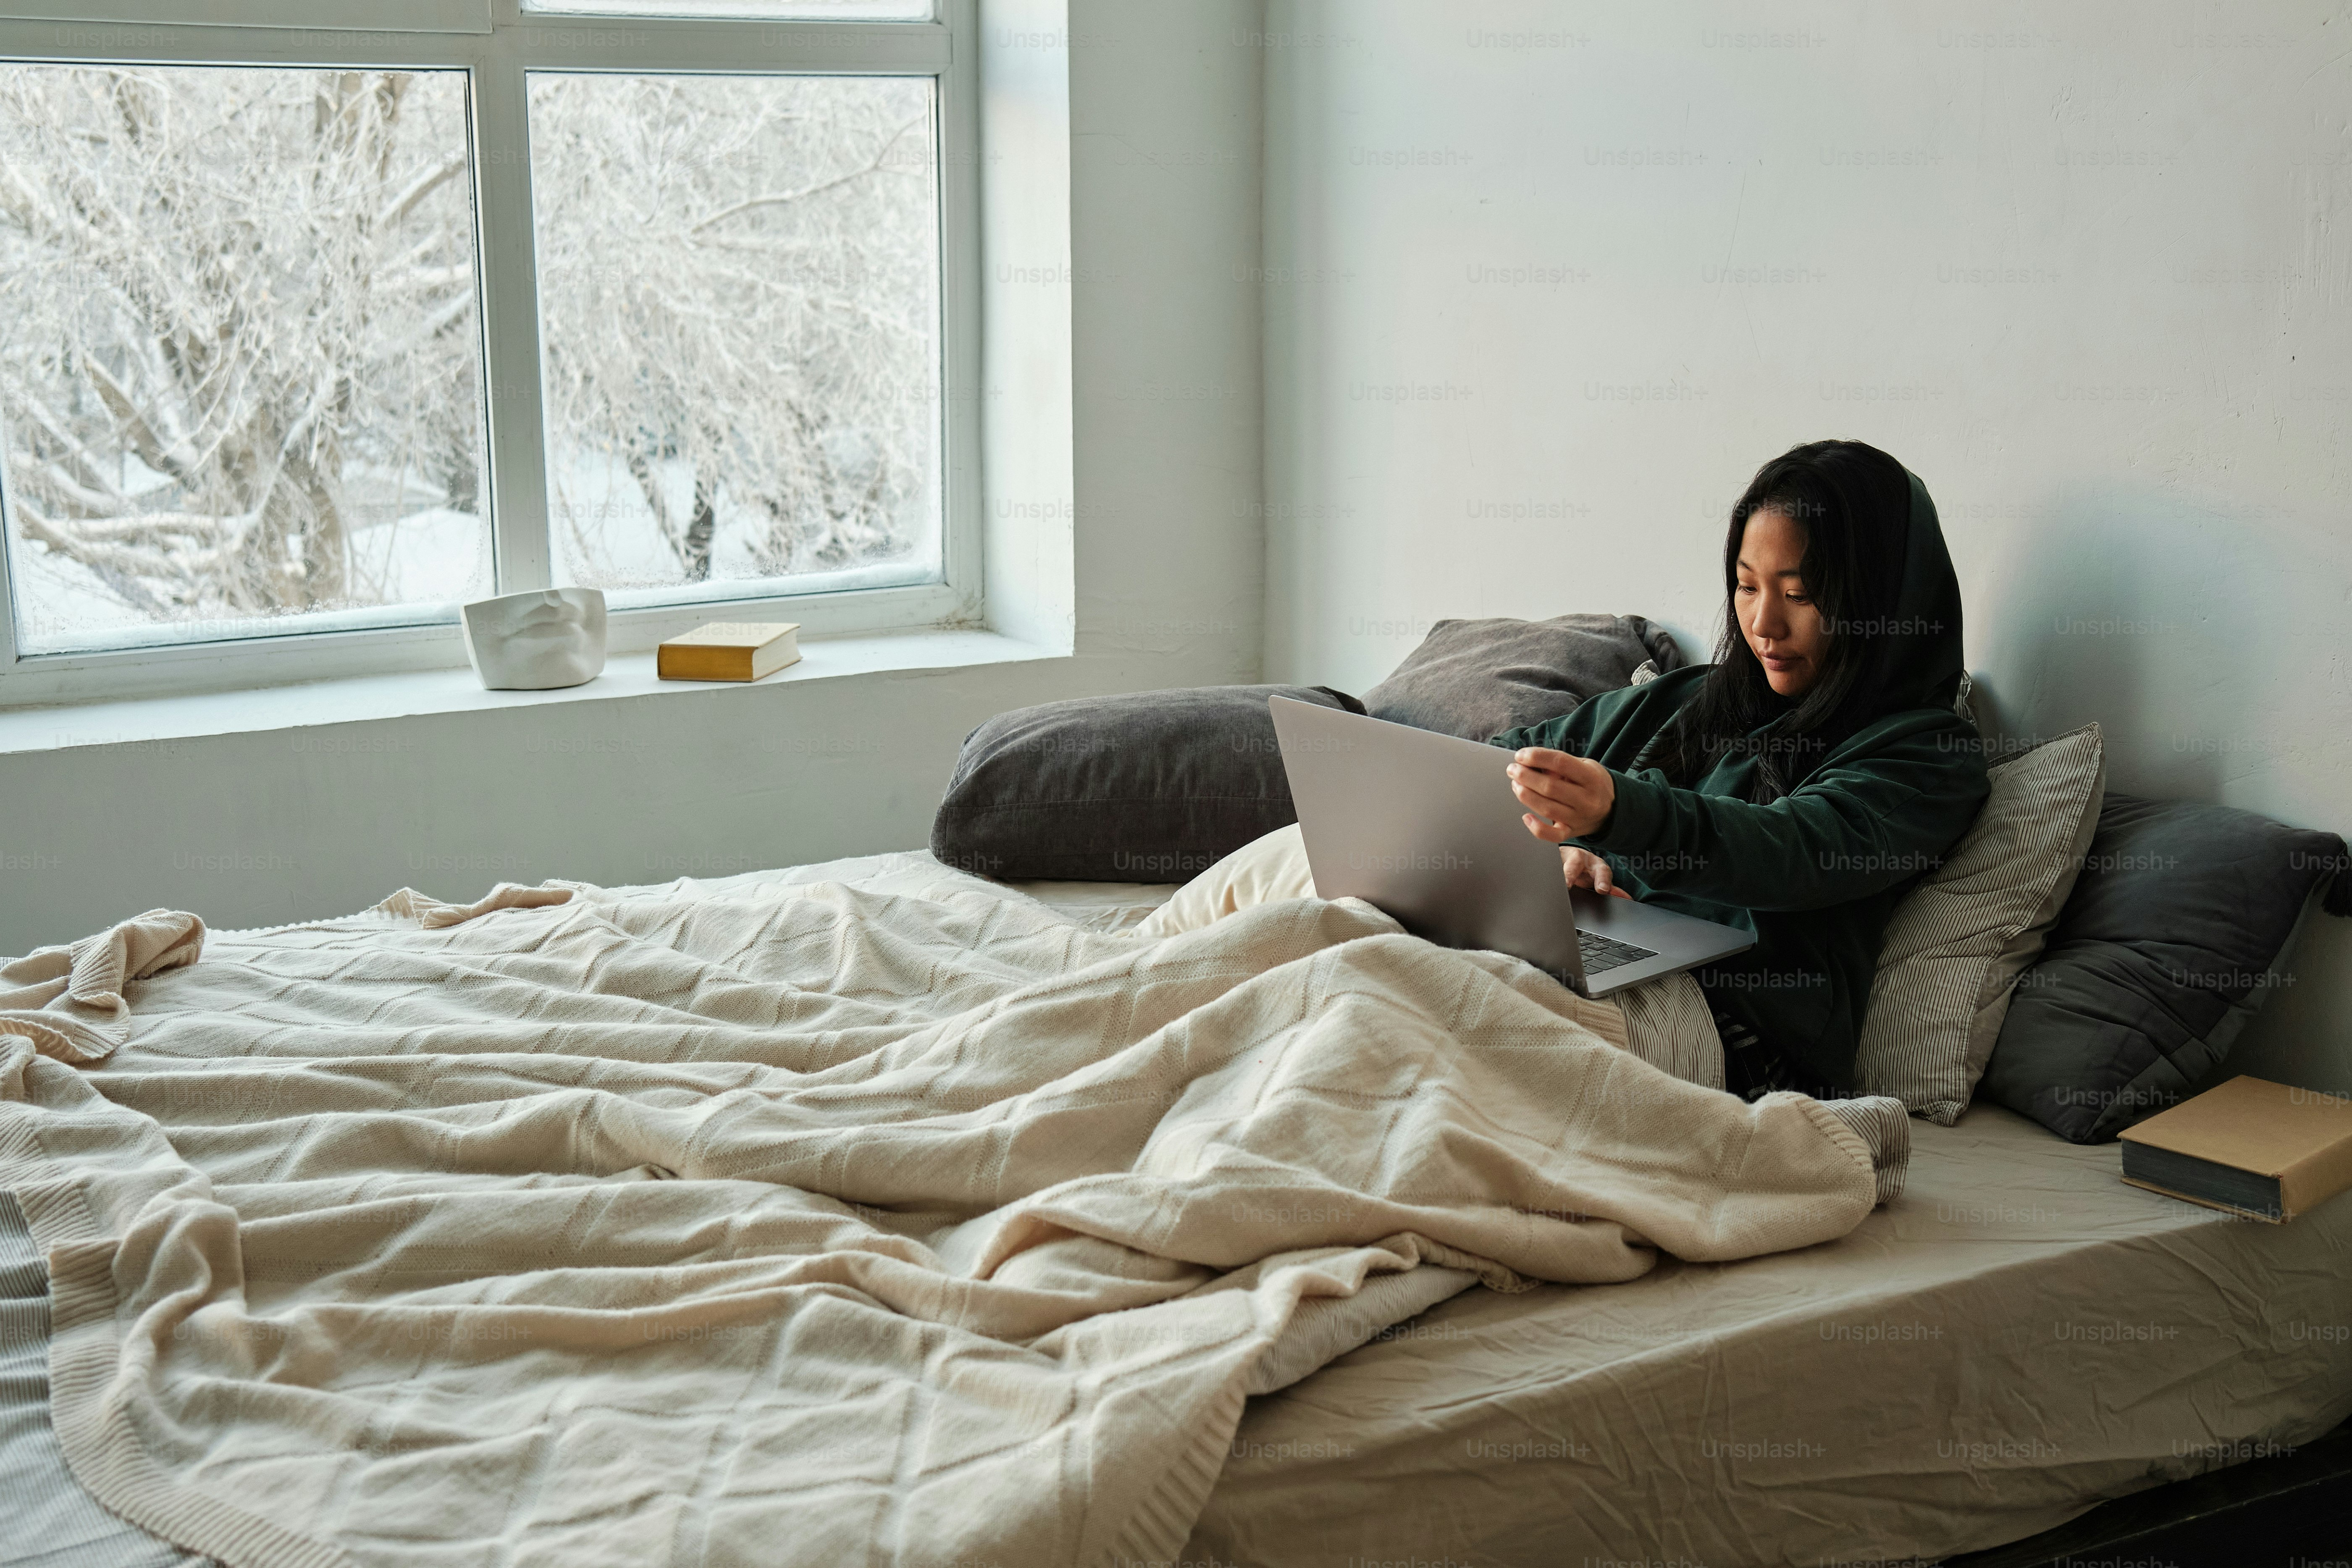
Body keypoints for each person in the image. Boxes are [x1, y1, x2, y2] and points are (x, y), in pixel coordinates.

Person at [1495, 440, 1989, 1099]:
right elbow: (1500, 763)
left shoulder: (1927, 757)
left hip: (1733, 1029)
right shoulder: (1693, 698)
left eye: (1801, 594)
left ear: (1884, 601)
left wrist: (1621, 812)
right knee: (1360, 956)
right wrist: (1567, 857)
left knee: (1402, 1004)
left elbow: (1793, 846)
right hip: (1587, 957)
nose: (1763, 624)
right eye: (1748, 586)